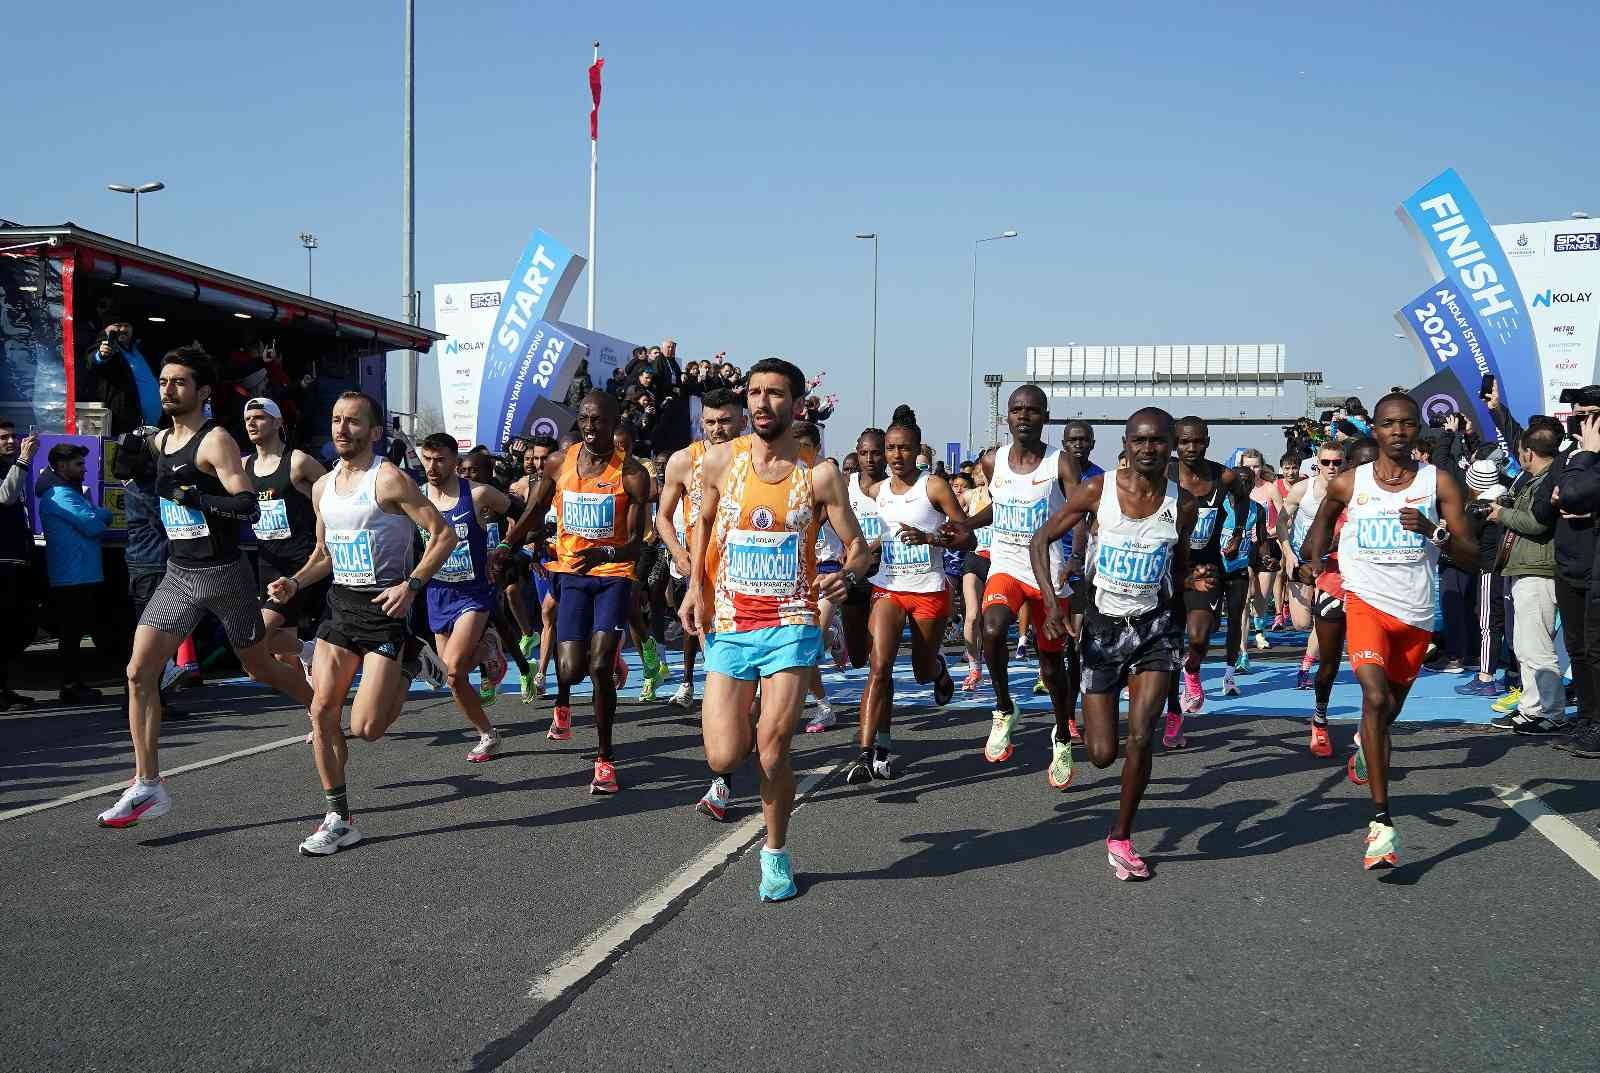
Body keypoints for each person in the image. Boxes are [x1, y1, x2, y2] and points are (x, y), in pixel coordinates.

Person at [98, 346, 313, 829]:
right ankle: (147, 785)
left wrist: (195, 497)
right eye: (163, 381)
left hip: (224, 574)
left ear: (202, 392)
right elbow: (136, 479)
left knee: (258, 666)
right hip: (179, 574)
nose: (168, 389)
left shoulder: (214, 442)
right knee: (138, 672)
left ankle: (316, 704)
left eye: (178, 382)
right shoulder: (158, 442)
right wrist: (130, 466)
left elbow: (246, 507)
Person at [681, 358, 866, 900]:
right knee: (722, 755)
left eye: (775, 394)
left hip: (791, 623)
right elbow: (703, 527)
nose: (762, 403)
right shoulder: (718, 463)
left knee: (771, 748)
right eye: (755, 394)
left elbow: (858, 548)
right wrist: (696, 585)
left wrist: (848, 575)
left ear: (797, 404)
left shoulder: (822, 475)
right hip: (732, 623)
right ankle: (751, 719)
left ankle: (775, 852)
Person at [265, 392, 457, 854]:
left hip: (386, 612)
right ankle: (338, 816)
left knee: (368, 728)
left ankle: (411, 661)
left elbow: (444, 535)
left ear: (373, 432)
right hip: (340, 610)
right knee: (322, 713)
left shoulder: (387, 479)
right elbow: (324, 556)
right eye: (335, 420)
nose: (341, 429)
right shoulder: (321, 487)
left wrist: (410, 585)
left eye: (353, 422)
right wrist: (294, 581)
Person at [1298, 393, 1476, 870]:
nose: (1398, 432)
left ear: (1419, 430)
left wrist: (1433, 532)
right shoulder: (1348, 483)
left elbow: (1471, 556)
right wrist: (1310, 563)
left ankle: (1364, 743)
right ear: (1374, 430)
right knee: (1374, 699)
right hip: (1365, 603)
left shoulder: (1437, 482)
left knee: (1386, 713)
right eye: (1389, 424)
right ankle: (1381, 822)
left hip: (1415, 615)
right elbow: (1318, 531)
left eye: (1407, 424)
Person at [1033, 407, 1200, 880]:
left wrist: (1193, 586)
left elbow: (1181, 563)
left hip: (1155, 630)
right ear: (1125, 445)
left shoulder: (1181, 503)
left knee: (1142, 736)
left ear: (1170, 445)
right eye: (1139, 441)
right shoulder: (1098, 489)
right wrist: (1051, 604)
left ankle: (1122, 837)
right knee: (1103, 753)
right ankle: (1077, 727)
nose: (1149, 449)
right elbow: (1040, 539)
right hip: (1104, 631)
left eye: (1158, 441)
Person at [498, 391, 652, 793]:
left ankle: (605, 760)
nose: (589, 426)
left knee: (598, 668)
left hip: (612, 574)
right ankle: (600, 658)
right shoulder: (558, 463)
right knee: (569, 669)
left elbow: (637, 542)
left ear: (613, 420)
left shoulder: (632, 473)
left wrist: (603, 550)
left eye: (598, 420)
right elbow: (532, 510)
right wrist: (505, 546)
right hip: (570, 574)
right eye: (584, 419)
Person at [844, 406, 967, 784]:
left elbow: (967, 535)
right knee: (879, 668)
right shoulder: (876, 491)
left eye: (904, 449)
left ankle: (940, 670)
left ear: (917, 450)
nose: (896, 456)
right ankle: (867, 753)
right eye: (890, 449)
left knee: (921, 673)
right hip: (888, 588)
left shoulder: (933, 487)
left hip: (928, 590)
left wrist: (930, 538)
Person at [963, 385, 1080, 783]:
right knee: (991, 628)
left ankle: (1062, 734)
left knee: (1051, 666)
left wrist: (1077, 560)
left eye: (1032, 410)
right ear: (1007, 417)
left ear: (1045, 416)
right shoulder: (994, 461)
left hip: (1048, 575)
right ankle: (1003, 707)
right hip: (1007, 567)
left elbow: (1081, 513)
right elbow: (998, 506)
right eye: (1017, 410)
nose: (1024, 416)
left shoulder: (1059, 463)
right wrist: (965, 524)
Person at [418, 434, 513, 761]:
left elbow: (519, 512)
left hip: (473, 591)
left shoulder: (477, 494)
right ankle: (490, 731)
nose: (432, 466)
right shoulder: (416, 497)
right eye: (427, 459)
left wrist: (501, 548)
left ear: (455, 462)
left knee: (456, 670)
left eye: (440, 459)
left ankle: (485, 736)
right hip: (437, 591)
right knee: (449, 677)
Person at [244, 396, 329, 692]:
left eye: (259, 417)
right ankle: (316, 710)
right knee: (282, 651)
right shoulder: (244, 466)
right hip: (266, 563)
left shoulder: (298, 462)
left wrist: (325, 533)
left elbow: (334, 491)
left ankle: (308, 654)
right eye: (248, 419)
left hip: (298, 565)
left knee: (256, 636)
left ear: (278, 422)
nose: (252, 423)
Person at [1165, 418, 1242, 740]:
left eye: (1198, 442)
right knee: (1168, 646)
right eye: (1184, 442)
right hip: (1167, 569)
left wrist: (1236, 532)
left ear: (1207, 442)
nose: (1191, 448)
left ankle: (1193, 670)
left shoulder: (1222, 476)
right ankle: (1173, 713)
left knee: (1198, 636)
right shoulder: (1164, 474)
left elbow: (1244, 499)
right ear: (1175, 444)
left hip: (1205, 569)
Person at [1484, 424, 1563, 734]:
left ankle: (1552, 711)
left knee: (1538, 647)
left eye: (1520, 453)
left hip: (1539, 570)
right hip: (1526, 568)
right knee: (1524, 645)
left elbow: (1536, 523)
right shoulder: (1537, 479)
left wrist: (1501, 514)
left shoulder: (1548, 480)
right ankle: (1530, 709)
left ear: (1529, 453)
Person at [1305, 437, 1379, 758]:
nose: (1367, 470)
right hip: (1334, 588)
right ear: (1350, 466)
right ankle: (1320, 719)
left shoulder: (1391, 500)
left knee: (1372, 668)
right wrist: (1335, 543)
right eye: (1360, 464)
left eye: (1373, 463)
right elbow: (1309, 550)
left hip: (1375, 592)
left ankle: (1367, 726)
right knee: (1329, 666)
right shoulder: (1337, 498)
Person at [37, 443, 112, 704]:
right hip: (72, 575)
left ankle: (74, 683)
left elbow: (95, 517)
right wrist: (101, 513)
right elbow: (95, 524)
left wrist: (97, 513)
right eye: (79, 464)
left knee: (76, 633)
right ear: (61, 466)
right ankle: (70, 685)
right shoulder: (60, 495)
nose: (84, 469)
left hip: (79, 573)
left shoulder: (69, 493)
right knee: (71, 634)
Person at [1551, 407, 1600, 756]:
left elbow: (1574, 494)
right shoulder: (1569, 458)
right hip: (1569, 567)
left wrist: (1586, 457)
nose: (1583, 422)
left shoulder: (1584, 459)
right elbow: (1547, 504)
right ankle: (1587, 717)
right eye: (1579, 414)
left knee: (1596, 650)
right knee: (1579, 648)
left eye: (1592, 415)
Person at [1282, 441, 1344, 688]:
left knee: (1322, 617)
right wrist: (1287, 553)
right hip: (1301, 558)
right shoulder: (1302, 489)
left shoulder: (1349, 490)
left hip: (1332, 563)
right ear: (1317, 464)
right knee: (1300, 623)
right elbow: (1282, 523)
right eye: (1326, 462)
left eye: (1337, 462)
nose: (1331, 467)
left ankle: (1305, 667)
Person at [839, 428, 887, 669]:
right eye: (864, 453)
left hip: (886, 576)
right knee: (857, 657)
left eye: (876, 453)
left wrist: (872, 547)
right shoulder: (847, 485)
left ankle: (879, 698)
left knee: (880, 654)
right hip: (854, 574)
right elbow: (826, 518)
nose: (869, 460)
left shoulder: (895, 487)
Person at [0, 421, 39, 709]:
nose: (12, 441)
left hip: (17, 557)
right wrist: (24, 460)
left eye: (14, 436)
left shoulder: (11, 466)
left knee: (17, 628)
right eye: (4, 437)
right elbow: (5, 497)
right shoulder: (14, 467)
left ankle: (5, 687)